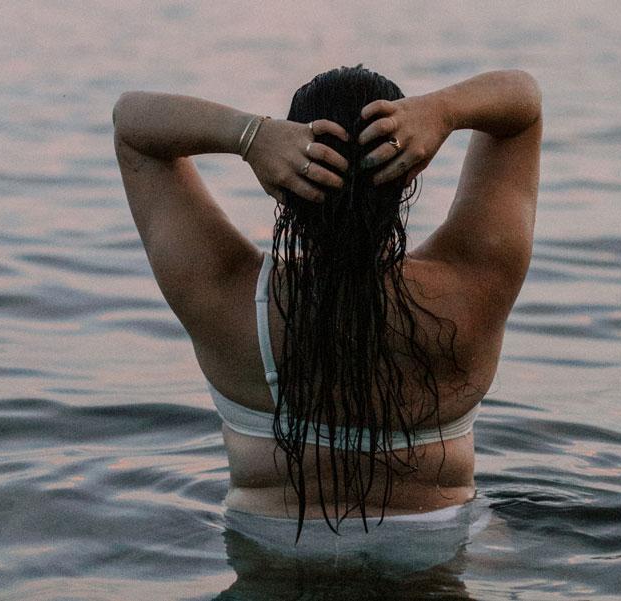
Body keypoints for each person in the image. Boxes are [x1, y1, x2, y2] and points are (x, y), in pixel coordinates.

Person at [112, 65, 541, 562]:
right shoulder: (472, 283)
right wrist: (441, 111)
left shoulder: (225, 294)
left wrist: (251, 136)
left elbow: (132, 123)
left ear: (284, 177)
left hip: (274, 547)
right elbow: (522, 104)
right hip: (435, 541)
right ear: (411, 170)